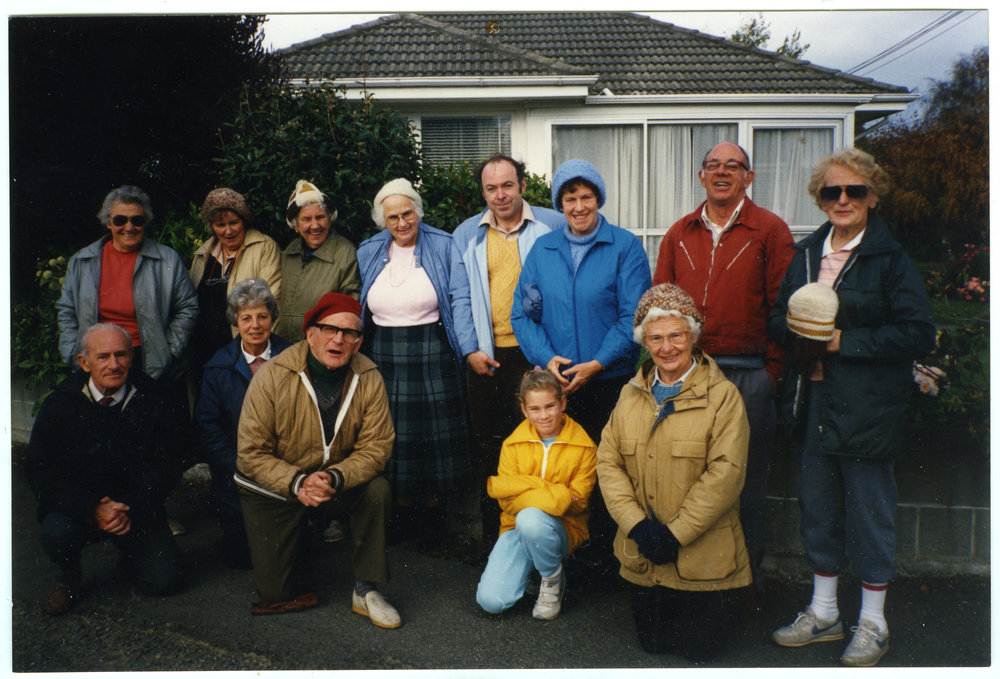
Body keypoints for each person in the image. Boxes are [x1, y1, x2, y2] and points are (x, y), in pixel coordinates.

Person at [768, 148, 935, 667]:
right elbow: (777, 318)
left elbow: (917, 333)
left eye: (854, 191)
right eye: (832, 192)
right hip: (812, 397)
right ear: (819, 199)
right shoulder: (805, 254)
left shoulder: (890, 259)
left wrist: (844, 342)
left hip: (867, 404)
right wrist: (798, 332)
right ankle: (823, 614)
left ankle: (872, 623)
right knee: (818, 507)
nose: (843, 200)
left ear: (873, 196)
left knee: (869, 513)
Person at [652, 141, 795, 602]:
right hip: (690, 374)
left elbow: (784, 308)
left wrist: (770, 373)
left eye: (733, 166)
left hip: (748, 372)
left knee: (744, 483)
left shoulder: (770, 230)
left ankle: (744, 584)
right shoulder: (679, 233)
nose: (722, 172)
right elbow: (661, 307)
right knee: (686, 481)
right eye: (713, 165)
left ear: (748, 178)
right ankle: (687, 582)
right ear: (700, 177)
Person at [596, 284, 751, 662]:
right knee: (653, 647)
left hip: (702, 562)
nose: (666, 348)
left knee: (697, 654)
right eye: (656, 338)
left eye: (676, 336)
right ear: (644, 343)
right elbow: (608, 462)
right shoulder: (630, 395)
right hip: (644, 558)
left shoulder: (723, 396)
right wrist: (637, 526)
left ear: (694, 336)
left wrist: (675, 534)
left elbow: (726, 474)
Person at [511, 158, 651, 562]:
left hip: (610, 381)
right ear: (560, 204)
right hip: (559, 386)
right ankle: (569, 557)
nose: (578, 206)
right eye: (569, 198)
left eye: (586, 196)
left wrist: (598, 363)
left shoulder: (624, 246)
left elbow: (633, 317)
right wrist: (545, 359)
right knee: (563, 474)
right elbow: (522, 314)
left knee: (610, 472)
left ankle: (609, 560)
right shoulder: (543, 248)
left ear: (598, 199)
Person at [236, 293, 399, 626]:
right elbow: (251, 452)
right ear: (310, 333)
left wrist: (335, 477)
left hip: (336, 481)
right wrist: (298, 482)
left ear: (358, 342)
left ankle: (365, 589)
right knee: (275, 594)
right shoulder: (273, 374)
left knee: (377, 490)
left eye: (350, 333)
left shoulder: (369, 377)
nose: (339, 339)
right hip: (279, 486)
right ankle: (301, 542)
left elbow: (377, 446)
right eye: (329, 329)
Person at [26, 323, 190, 615]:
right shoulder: (60, 404)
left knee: (165, 580)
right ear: (84, 362)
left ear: (131, 357)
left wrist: (129, 506)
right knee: (56, 532)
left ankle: (129, 551)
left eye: (121, 355)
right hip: (78, 510)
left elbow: (172, 460)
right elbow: (40, 471)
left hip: (135, 508)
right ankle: (67, 577)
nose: (114, 365)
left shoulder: (154, 398)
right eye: (103, 357)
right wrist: (90, 509)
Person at [450, 154, 563, 553]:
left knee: (542, 443)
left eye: (508, 185)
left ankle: (544, 540)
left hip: (538, 355)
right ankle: (493, 542)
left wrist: (549, 352)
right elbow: (459, 297)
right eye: (491, 188)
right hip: (488, 357)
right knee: (491, 450)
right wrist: (470, 350)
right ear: (483, 192)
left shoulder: (553, 224)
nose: (500, 195)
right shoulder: (466, 233)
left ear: (523, 186)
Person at [357, 178, 471, 547]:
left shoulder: (444, 243)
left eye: (408, 214)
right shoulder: (369, 250)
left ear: (418, 212)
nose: (402, 223)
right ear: (382, 220)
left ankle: (435, 518)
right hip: (385, 350)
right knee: (396, 437)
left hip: (432, 348)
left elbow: (458, 298)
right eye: (393, 217)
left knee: (434, 439)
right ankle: (403, 515)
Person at [476, 370, 596, 620]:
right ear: (524, 410)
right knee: (491, 602)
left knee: (531, 518)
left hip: (563, 528)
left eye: (550, 406)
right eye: (535, 409)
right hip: (515, 526)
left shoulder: (584, 446)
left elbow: (578, 502)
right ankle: (532, 569)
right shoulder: (513, 444)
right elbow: (506, 502)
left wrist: (523, 488)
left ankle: (551, 577)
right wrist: (557, 493)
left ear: (562, 403)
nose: (544, 415)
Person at [194, 278, 291, 569]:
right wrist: (239, 464)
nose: (255, 325)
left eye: (262, 316)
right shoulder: (218, 366)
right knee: (241, 557)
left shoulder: (293, 357)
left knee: (290, 554)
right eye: (246, 318)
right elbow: (208, 427)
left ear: (272, 318)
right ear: (235, 322)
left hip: (285, 463)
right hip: (237, 470)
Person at [56, 185, 199, 382]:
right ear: (108, 222)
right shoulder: (82, 261)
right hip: (101, 358)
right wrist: (72, 350)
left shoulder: (167, 260)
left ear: (145, 222)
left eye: (137, 220)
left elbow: (188, 307)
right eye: (120, 220)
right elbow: (67, 310)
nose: (129, 227)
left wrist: (168, 351)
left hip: (148, 359)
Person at [188, 188, 281, 376]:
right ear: (212, 227)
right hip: (205, 350)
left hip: (243, 352)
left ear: (244, 221)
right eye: (220, 224)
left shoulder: (264, 247)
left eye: (233, 222)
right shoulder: (203, 254)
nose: (228, 230)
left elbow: (272, 302)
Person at [274, 179, 361, 342]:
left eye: (320, 217)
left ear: (329, 219)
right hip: (284, 347)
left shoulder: (345, 253)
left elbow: (351, 307)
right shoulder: (288, 253)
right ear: (296, 226)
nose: (315, 226)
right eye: (306, 219)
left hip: (325, 346)